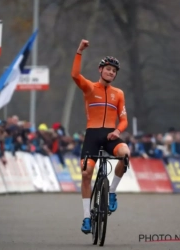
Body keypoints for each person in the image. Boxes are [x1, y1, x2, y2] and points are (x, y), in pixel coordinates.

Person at [71, 39, 130, 234]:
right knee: (87, 173)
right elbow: (75, 74)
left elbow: (123, 120)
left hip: (110, 136)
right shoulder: (89, 88)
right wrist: (79, 51)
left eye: (114, 71)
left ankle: (112, 192)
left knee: (125, 153)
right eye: (108, 69)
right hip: (92, 135)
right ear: (100, 70)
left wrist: (117, 132)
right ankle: (87, 218)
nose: (111, 73)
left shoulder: (118, 93)